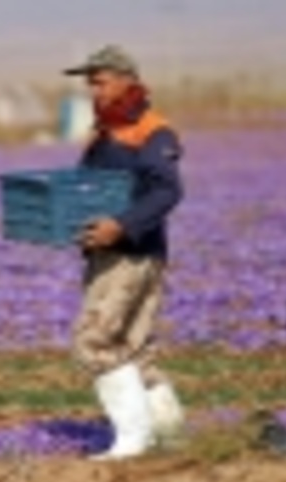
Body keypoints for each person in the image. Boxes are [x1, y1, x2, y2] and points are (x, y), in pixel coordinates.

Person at [63, 45, 186, 460]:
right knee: (133, 348)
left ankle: (133, 440)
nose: (92, 90)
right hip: (110, 252)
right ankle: (170, 435)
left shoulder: (151, 131)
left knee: (95, 341)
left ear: (126, 80)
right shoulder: (107, 132)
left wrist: (122, 225)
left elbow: (168, 189)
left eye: (99, 81)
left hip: (132, 254)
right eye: (90, 83)